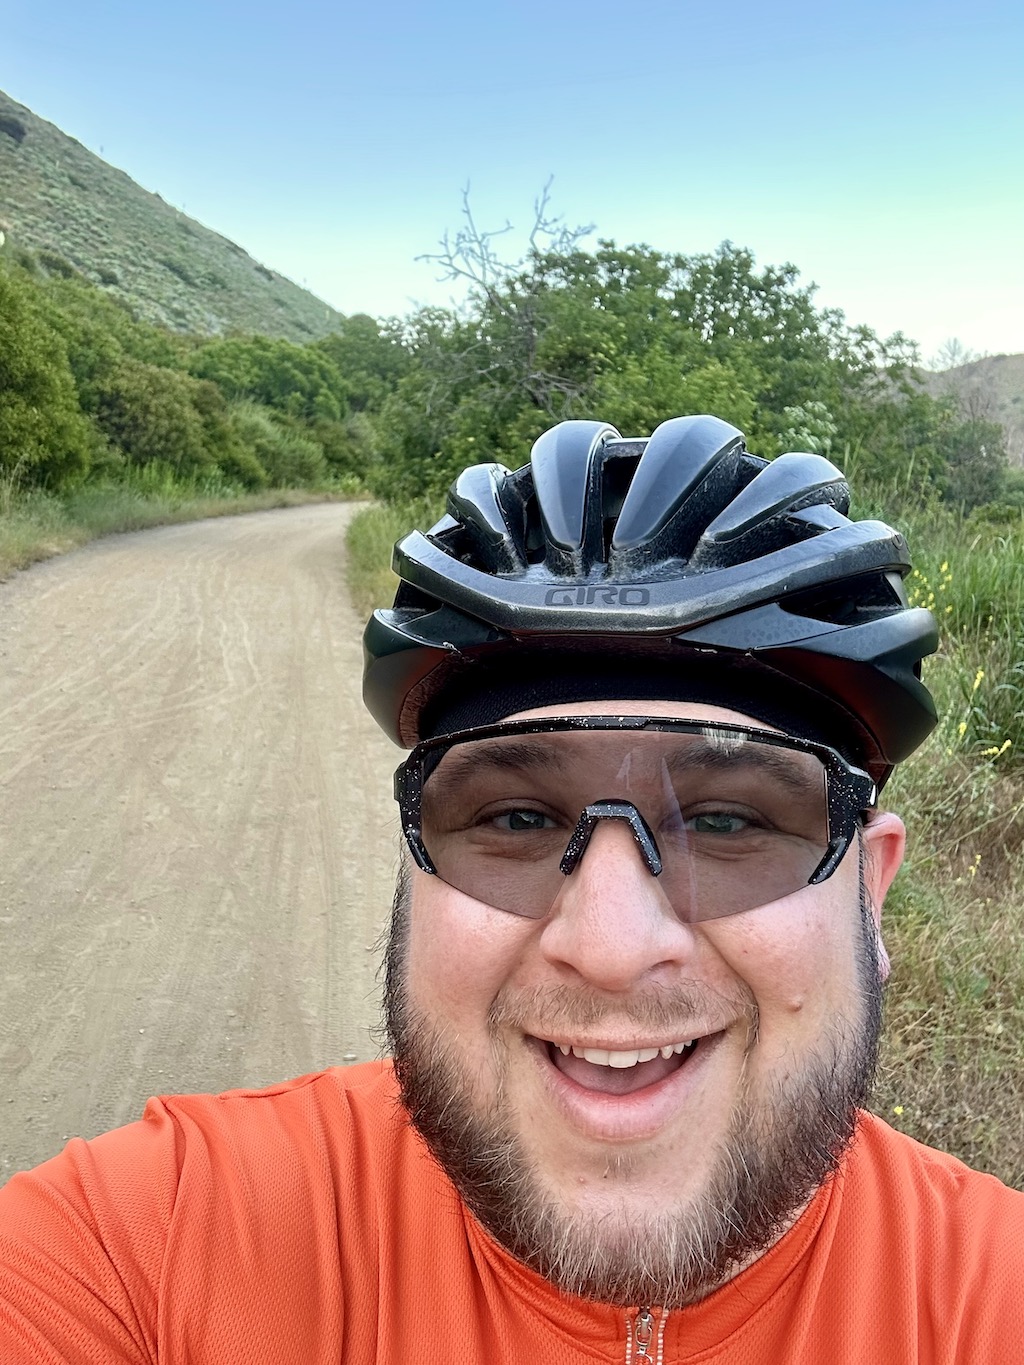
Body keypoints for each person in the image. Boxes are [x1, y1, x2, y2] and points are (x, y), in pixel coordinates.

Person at [1, 413, 1022, 1363]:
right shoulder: (144, 1242)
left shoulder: (990, 1298)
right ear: (414, 875)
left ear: (868, 893)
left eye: (728, 823)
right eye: (515, 820)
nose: (611, 946)